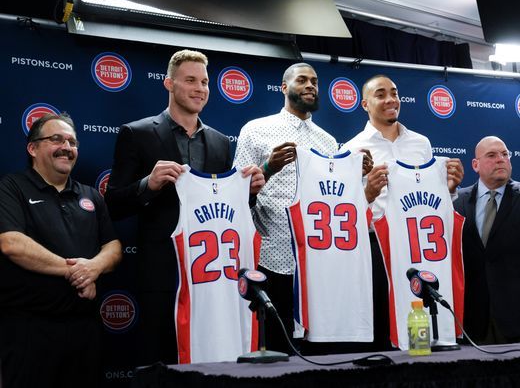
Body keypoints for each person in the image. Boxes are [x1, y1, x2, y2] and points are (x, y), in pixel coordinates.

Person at [104, 49, 264, 366]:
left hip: (212, 275)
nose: (200, 88)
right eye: (190, 80)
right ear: (169, 84)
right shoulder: (136, 133)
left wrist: (250, 192)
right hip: (163, 276)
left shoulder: (220, 141)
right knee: (162, 363)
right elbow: (113, 205)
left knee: (212, 361)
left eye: (204, 82)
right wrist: (147, 184)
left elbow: (223, 208)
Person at [234, 62, 373, 355]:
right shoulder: (255, 130)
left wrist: (358, 175)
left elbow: (336, 199)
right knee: (276, 351)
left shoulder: (328, 141)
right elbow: (236, 197)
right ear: (284, 88)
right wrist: (267, 169)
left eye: (315, 80)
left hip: (320, 261)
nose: (310, 85)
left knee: (318, 353)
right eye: (302, 80)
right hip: (273, 256)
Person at [340, 74, 464, 350]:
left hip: (419, 245)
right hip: (376, 248)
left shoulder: (421, 143)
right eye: (381, 94)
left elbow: (433, 196)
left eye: (394, 93)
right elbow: (346, 213)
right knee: (384, 328)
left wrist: (450, 188)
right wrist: (367, 193)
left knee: (422, 322)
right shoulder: (351, 149)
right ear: (364, 104)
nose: (390, 100)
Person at [0, 113, 122, 388]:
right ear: (33, 148)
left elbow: (113, 247)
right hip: (29, 330)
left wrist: (95, 267)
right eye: (56, 139)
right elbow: (11, 243)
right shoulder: (11, 188)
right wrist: (78, 272)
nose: (67, 147)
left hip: (85, 330)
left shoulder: (91, 195)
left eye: (72, 141)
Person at [454, 136, 520, 345]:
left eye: (504, 154)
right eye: (491, 155)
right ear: (475, 164)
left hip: (515, 318)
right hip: (472, 321)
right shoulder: (456, 202)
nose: (500, 159)